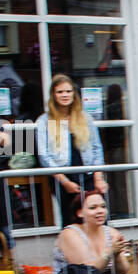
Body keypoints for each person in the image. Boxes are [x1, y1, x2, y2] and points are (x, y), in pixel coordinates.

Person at [36, 74, 107, 227]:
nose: (65, 95)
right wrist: (65, 181)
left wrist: (98, 178)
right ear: (53, 95)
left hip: (88, 174)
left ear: (74, 94)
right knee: (71, 220)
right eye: (60, 92)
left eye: (68, 91)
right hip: (62, 177)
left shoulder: (85, 118)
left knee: (97, 217)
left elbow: (97, 149)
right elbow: (44, 157)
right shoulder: (43, 121)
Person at [52, 189, 136, 274]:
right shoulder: (70, 234)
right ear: (80, 213)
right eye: (93, 208)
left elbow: (122, 273)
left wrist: (117, 255)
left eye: (103, 206)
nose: (100, 211)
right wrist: (109, 253)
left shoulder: (111, 232)